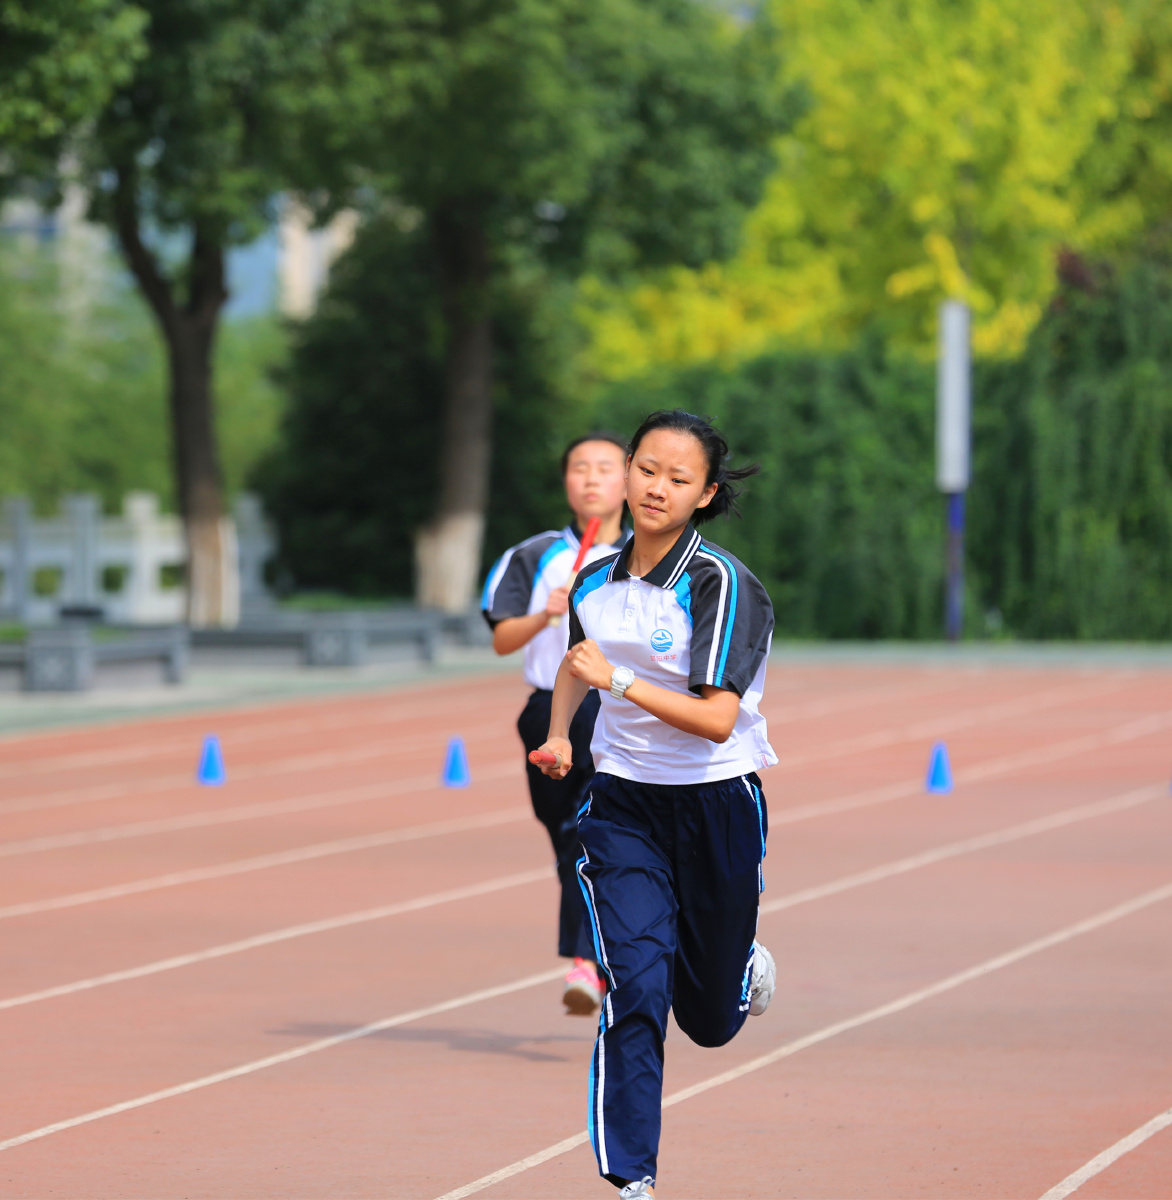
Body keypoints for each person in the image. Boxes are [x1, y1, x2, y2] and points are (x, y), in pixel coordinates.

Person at [534, 410, 778, 1199]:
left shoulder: (722, 585)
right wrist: (563, 734)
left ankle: (738, 967)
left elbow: (714, 721)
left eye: (678, 478)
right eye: (646, 468)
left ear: (706, 494)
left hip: (715, 805)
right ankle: (632, 1176)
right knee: (634, 986)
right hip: (622, 807)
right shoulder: (597, 578)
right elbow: (580, 658)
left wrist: (623, 684)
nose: (655, 487)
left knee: (707, 1021)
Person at [482, 432, 630, 1016]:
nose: (591, 479)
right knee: (568, 838)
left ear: (628, 480)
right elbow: (499, 639)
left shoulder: (651, 557)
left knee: (587, 835)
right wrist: (547, 611)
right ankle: (601, 950)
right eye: (579, 468)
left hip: (624, 711)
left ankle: (588, 964)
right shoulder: (535, 555)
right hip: (549, 711)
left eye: (605, 468)